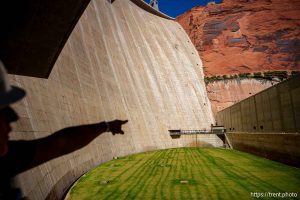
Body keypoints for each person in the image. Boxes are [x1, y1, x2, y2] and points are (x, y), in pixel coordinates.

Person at [0, 60, 128, 199]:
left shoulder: (8, 159)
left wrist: (107, 126)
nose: (14, 118)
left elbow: (61, 143)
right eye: (4, 111)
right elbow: (60, 144)